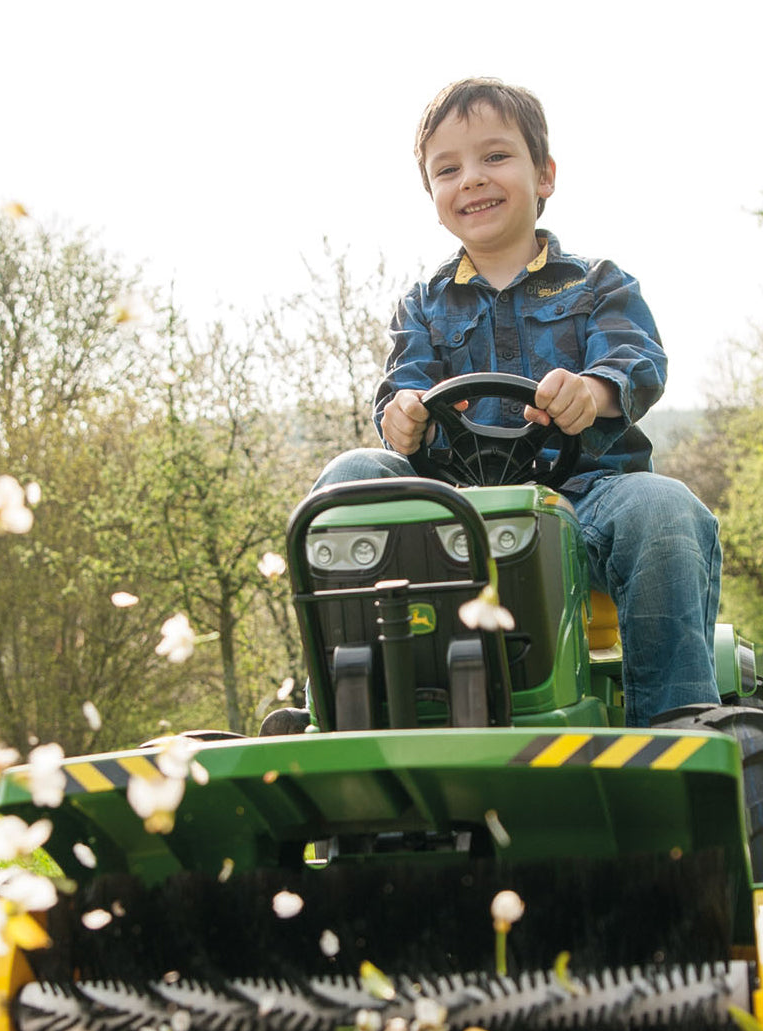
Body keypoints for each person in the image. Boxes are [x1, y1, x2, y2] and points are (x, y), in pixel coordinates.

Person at [309, 77, 721, 728]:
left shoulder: (598, 283)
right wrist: (402, 414)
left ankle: (675, 721)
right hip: (449, 515)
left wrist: (591, 391)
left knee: (665, 507)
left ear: (544, 175)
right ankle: (353, 705)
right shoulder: (422, 304)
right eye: (448, 169)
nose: (471, 178)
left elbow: (636, 361)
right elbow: (401, 387)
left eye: (494, 157)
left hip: (587, 501)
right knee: (349, 477)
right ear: (433, 197)